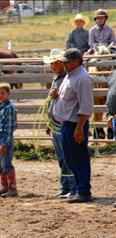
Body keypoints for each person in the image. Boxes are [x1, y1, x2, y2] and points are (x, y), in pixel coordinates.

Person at [51, 48, 94, 203]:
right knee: (70, 158)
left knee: (79, 158)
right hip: (66, 124)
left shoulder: (82, 79)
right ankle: (77, 188)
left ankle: (83, 190)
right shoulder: (70, 77)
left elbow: (86, 106)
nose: (64, 64)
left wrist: (79, 127)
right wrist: (56, 97)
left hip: (75, 124)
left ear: (76, 61)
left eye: (66, 61)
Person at [43, 49, 76, 198]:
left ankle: (72, 186)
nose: (53, 66)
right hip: (55, 122)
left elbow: (66, 99)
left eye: (56, 63)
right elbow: (51, 102)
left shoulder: (67, 79)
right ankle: (65, 185)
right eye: (52, 63)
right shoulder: (56, 79)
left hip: (63, 122)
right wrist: (48, 123)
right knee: (61, 157)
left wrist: (57, 96)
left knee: (68, 155)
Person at [0, 83, 18, 197]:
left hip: (4, 139)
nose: (0, 95)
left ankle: (12, 188)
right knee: (0, 163)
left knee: (6, 163)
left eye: (3, 93)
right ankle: (4, 186)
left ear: (8, 94)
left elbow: (10, 128)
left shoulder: (9, 108)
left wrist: (5, 143)